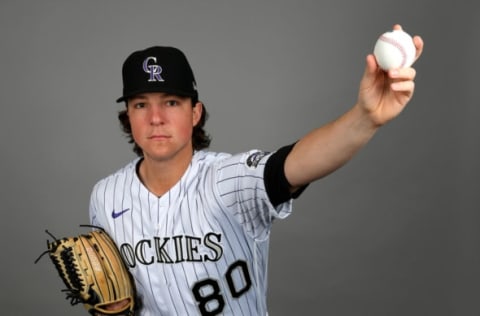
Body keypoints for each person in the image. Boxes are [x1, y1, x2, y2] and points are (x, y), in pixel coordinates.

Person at [89, 24, 424, 316]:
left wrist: (364, 118)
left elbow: (295, 164)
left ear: (195, 113)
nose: (156, 118)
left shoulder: (226, 181)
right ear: (128, 116)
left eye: (171, 102)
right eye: (141, 105)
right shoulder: (106, 197)